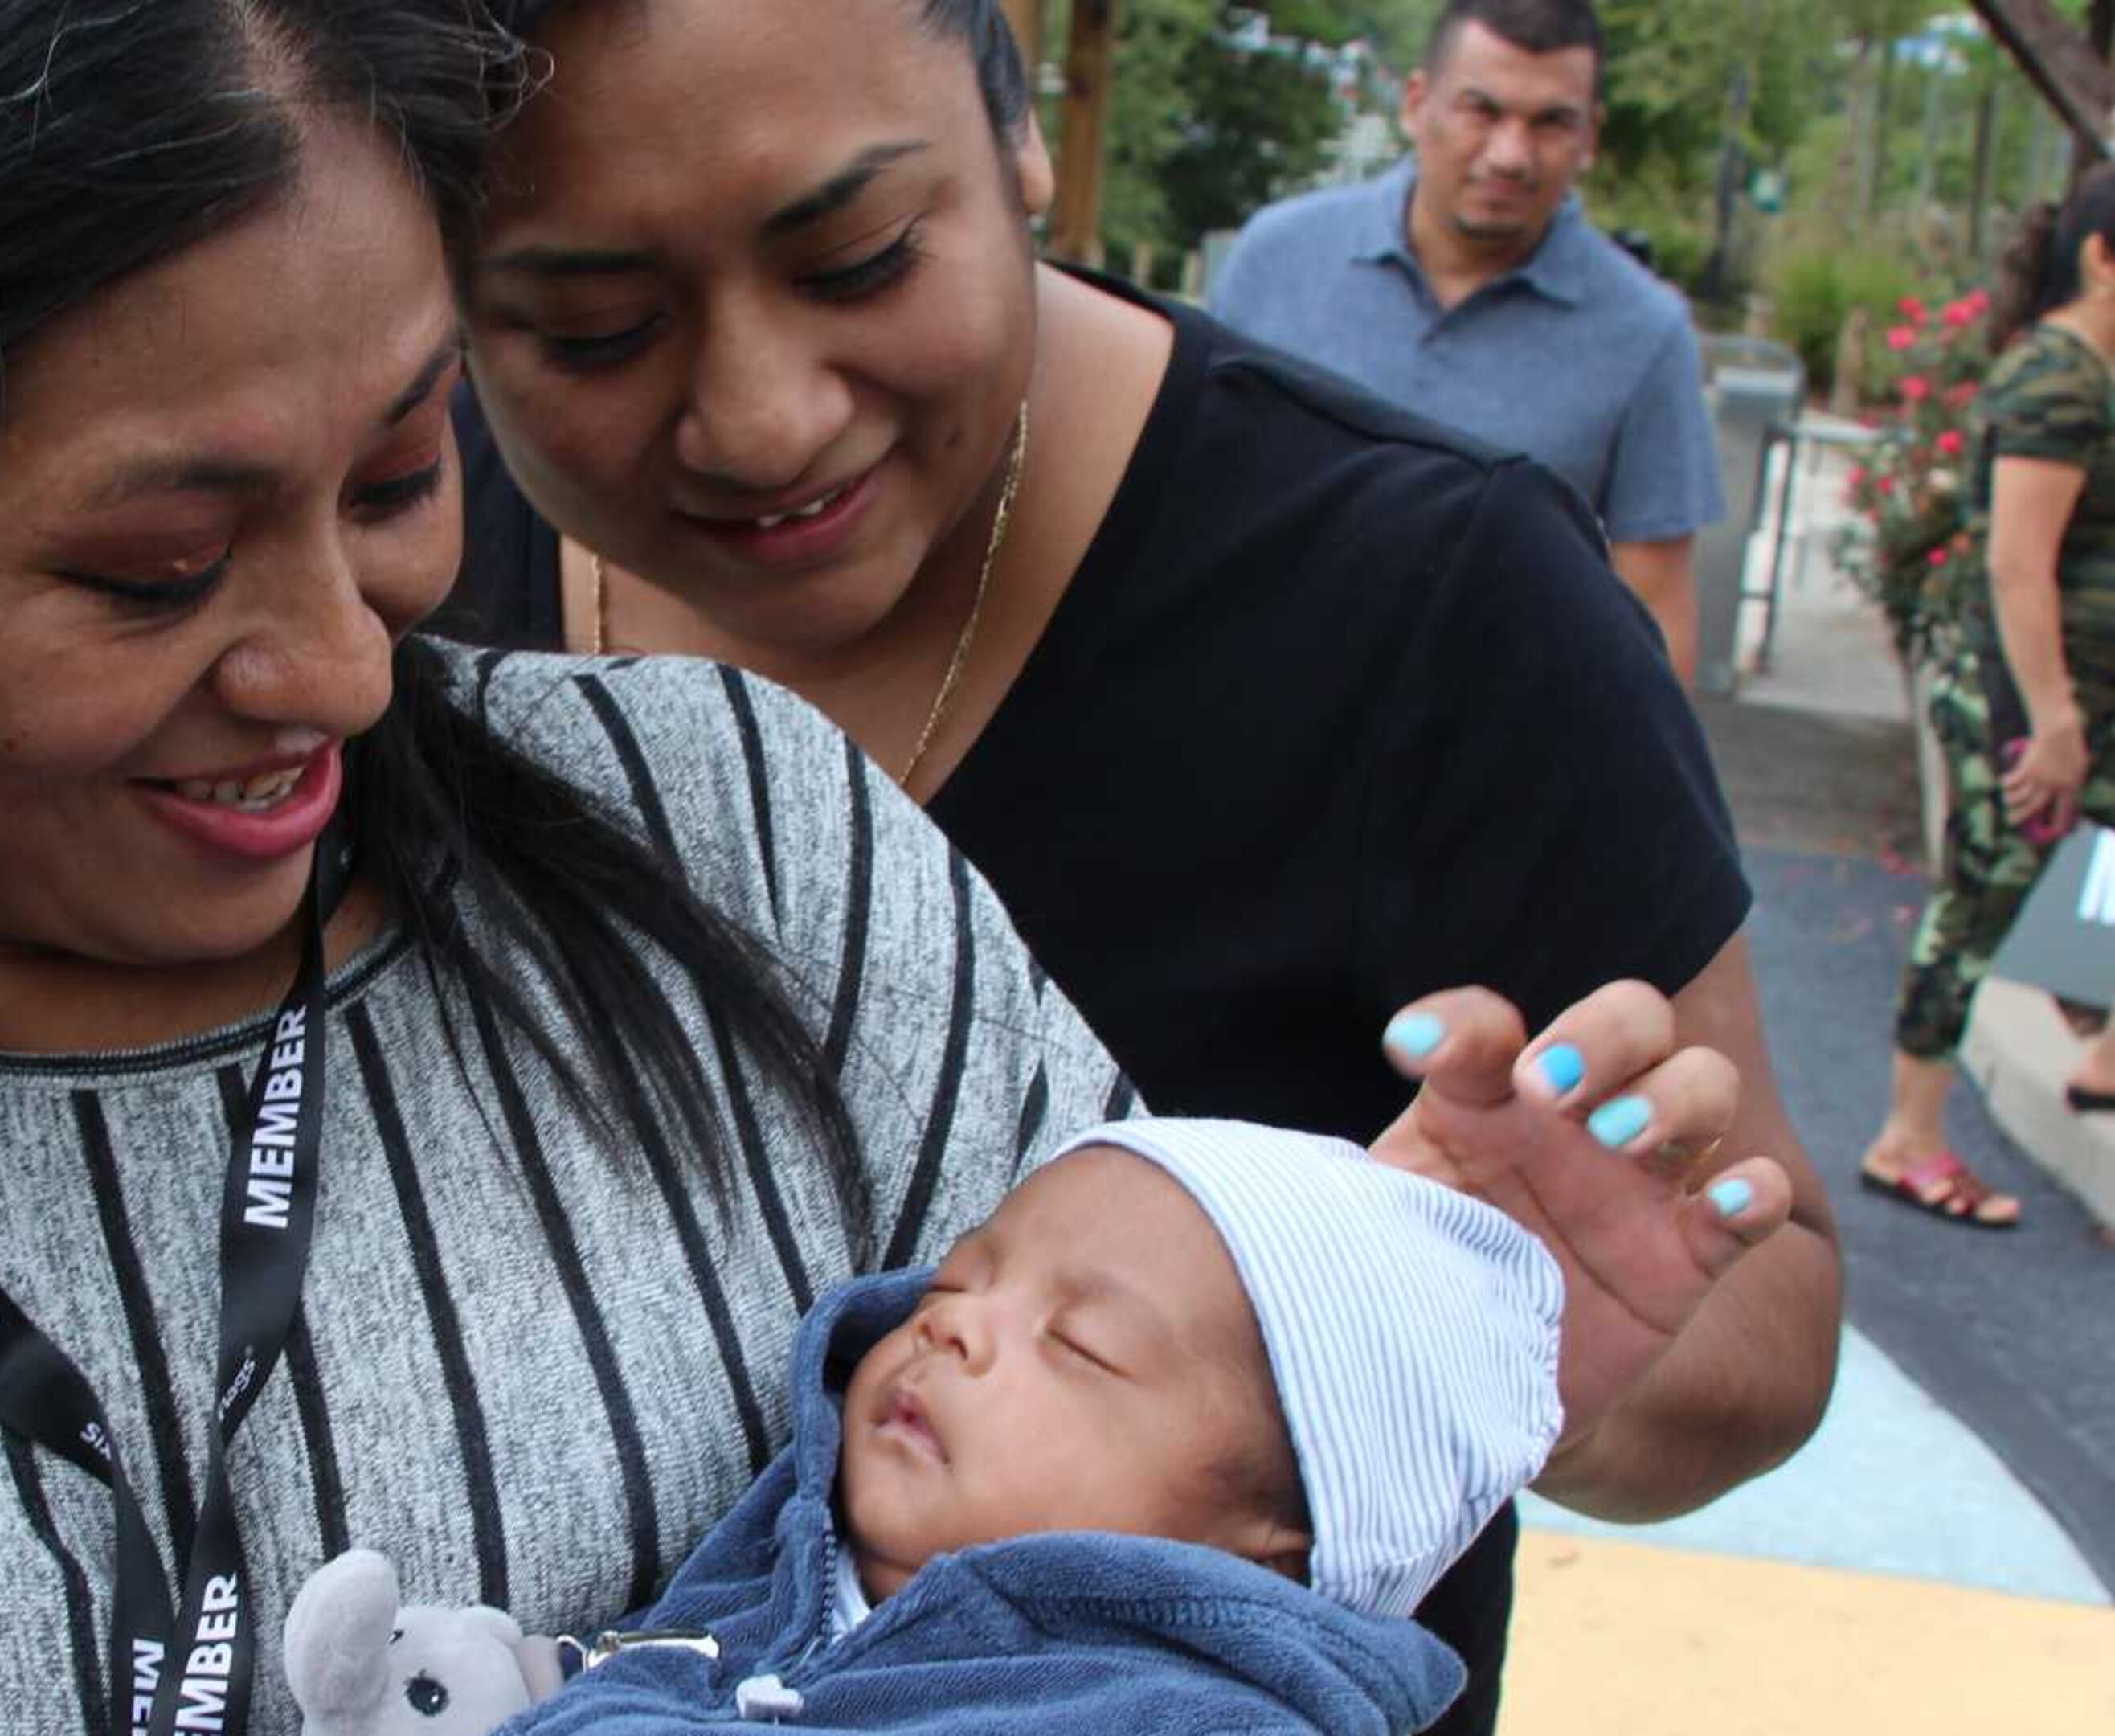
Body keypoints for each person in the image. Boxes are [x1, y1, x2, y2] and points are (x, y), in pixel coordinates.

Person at [0, 4, 1761, 1734]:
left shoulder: (761, 857)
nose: (340, 660)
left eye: (404, 478)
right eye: (154, 568)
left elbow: (1183, 1582)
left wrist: (1358, 1310)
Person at [439, 2, 1841, 1730]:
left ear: (1020, 135)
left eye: (863, 257)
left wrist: (1540, 1365)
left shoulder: (1437, 609)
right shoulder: (376, 567)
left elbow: (1763, 1303)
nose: (759, 422)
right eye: (591, 331)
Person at [325, 1116, 1608, 1734]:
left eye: (1083, 1343)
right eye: (955, 1280)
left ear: (1274, 1542)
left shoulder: (1183, 1717)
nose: (956, 1326)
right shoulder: (802, 1558)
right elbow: (662, 1667)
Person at [1210, 0, 1721, 682]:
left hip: (1497, 753)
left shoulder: (1645, 333)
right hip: (1267, 709)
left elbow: (1653, 607)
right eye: (1482, 110)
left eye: (1551, 123)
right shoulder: (1276, 260)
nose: (1510, 155)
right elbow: (1199, 509)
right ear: (1417, 102)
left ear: (1590, 136)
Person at [1863, 168, 2115, 1230]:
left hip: (2084, 706)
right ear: (2104, 258)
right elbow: (2018, 564)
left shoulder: (2096, 372)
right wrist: (2053, 723)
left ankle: (2100, 1047)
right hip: (2026, 709)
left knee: (2100, 879)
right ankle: (1905, 1139)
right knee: (1982, 906)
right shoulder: (2058, 378)